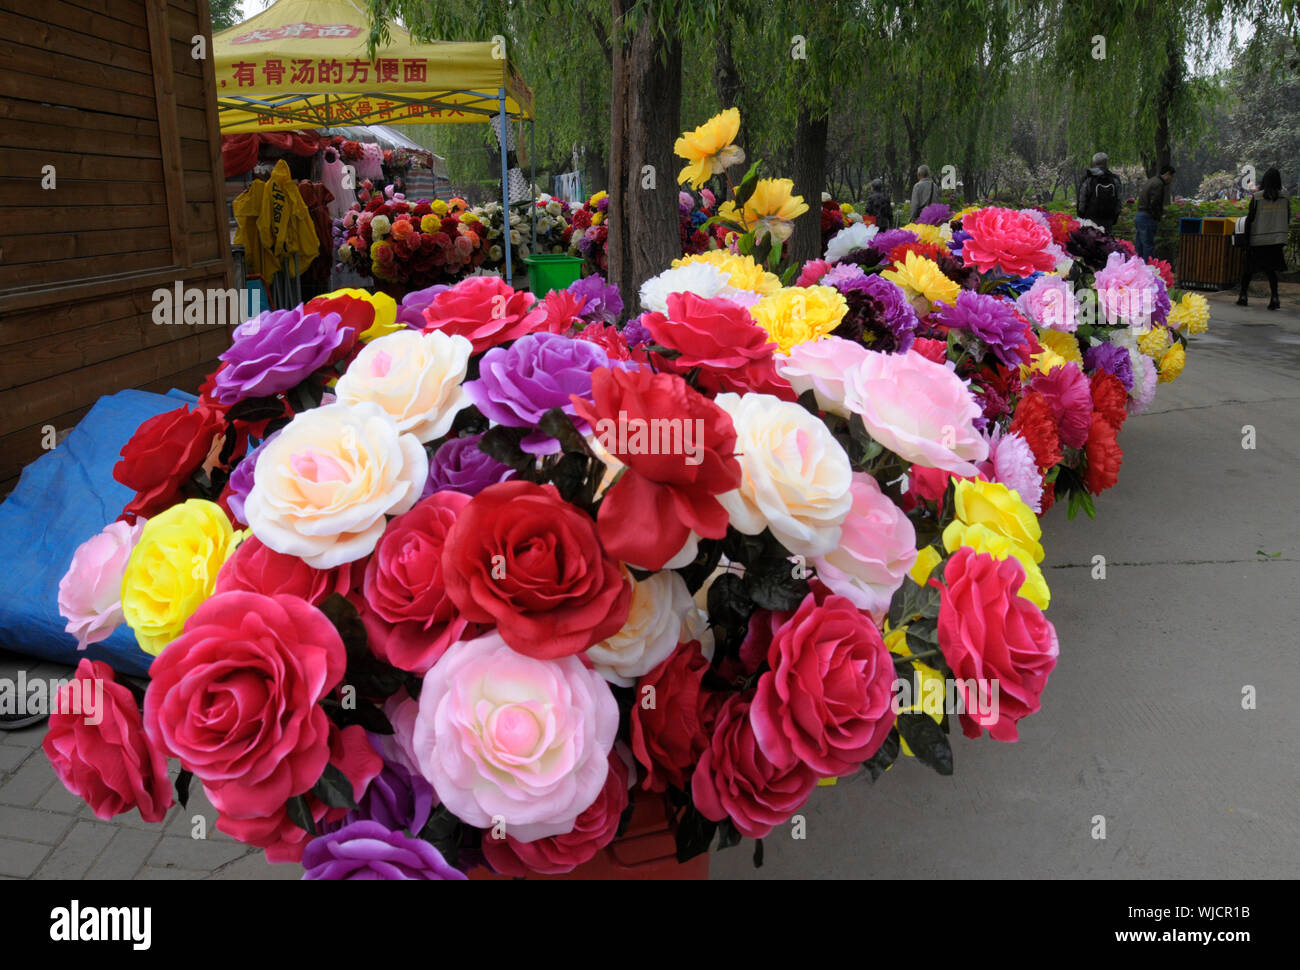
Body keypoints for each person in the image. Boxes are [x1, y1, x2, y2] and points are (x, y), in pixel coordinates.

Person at [1237, 167, 1290, 310]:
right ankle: (1274, 297)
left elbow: (1250, 219)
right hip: (1276, 240)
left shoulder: (1257, 197)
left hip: (1257, 240)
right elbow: (1287, 217)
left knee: (1248, 270)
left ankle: (1243, 296)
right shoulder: (1285, 197)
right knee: (1271, 271)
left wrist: (1246, 239)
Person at [1135, 164, 1175, 259]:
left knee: (1139, 245)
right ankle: (1148, 269)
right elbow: (1155, 203)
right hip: (1148, 217)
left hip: (1140, 215)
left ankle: (1137, 268)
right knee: (1148, 245)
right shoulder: (1158, 184)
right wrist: (1157, 216)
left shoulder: (1151, 181)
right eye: (1172, 176)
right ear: (1167, 174)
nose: (1171, 179)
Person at [1077, 152, 1123, 232]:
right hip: (1108, 218)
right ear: (1106, 163)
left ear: (1094, 163)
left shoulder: (1088, 178)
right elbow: (1119, 200)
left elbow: (1082, 200)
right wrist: (1115, 217)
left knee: (1091, 241)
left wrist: (1081, 216)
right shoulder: (1114, 179)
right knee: (1107, 241)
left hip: (1090, 218)